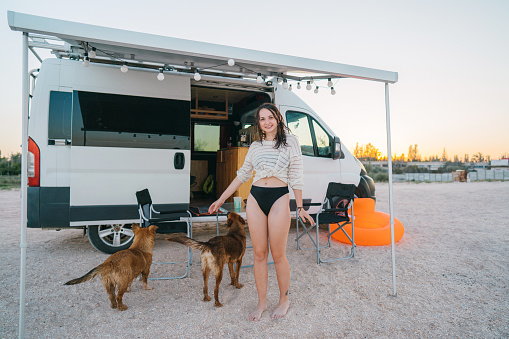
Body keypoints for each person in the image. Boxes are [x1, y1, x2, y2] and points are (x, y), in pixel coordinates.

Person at [208, 103, 315, 321]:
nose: (267, 122)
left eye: (270, 117)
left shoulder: (291, 142)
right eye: (262, 119)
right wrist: (220, 199)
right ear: (258, 123)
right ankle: (262, 303)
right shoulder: (255, 146)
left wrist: (300, 206)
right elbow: (242, 175)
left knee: (278, 255)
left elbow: (296, 174)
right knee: (258, 254)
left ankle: (284, 300)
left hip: (279, 197)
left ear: (278, 119)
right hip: (256, 197)